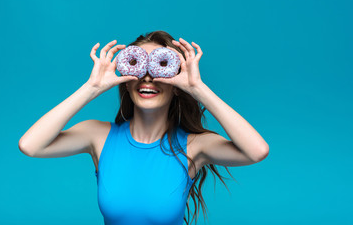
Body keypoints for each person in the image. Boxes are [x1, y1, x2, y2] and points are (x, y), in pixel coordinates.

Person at [19, 30, 269, 225]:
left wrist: (197, 88)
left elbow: (256, 151)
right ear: (126, 83)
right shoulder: (98, 135)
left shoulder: (194, 147)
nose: (148, 77)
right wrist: (91, 88)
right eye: (139, 65)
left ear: (175, 85)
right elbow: (30, 145)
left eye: (159, 67)